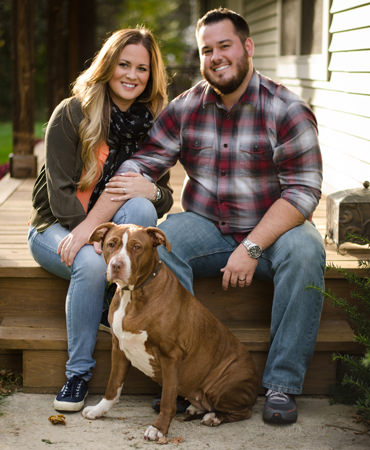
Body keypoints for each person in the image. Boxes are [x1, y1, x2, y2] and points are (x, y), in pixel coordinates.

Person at [74, 8, 326, 425]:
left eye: (224, 46)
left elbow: (304, 192)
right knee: (164, 245)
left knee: (307, 254)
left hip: (275, 230)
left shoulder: (287, 109)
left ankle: (281, 384)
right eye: (207, 50)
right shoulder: (186, 107)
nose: (215, 57)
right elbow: (142, 163)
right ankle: (177, 374)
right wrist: (127, 191)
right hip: (207, 225)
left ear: (247, 47)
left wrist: (252, 246)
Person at [27, 27, 173, 413]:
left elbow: (166, 195)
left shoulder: (153, 122)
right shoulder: (72, 112)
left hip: (109, 233)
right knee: (92, 265)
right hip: (56, 225)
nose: (132, 75)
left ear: (151, 74)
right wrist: (92, 237)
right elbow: (58, 193)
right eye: (123, 64)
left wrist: (151, 191)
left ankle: (119, 292)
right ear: (108, 66)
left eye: (141, 68)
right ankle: (78, 374)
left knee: (142, 210)